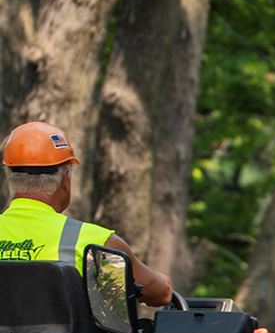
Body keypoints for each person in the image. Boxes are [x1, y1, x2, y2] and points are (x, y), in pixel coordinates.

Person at [0, 122, 177, 309]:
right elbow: (160, 293)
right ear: (65, 179)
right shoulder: (95, 244)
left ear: (8, 177)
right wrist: (163, 283)